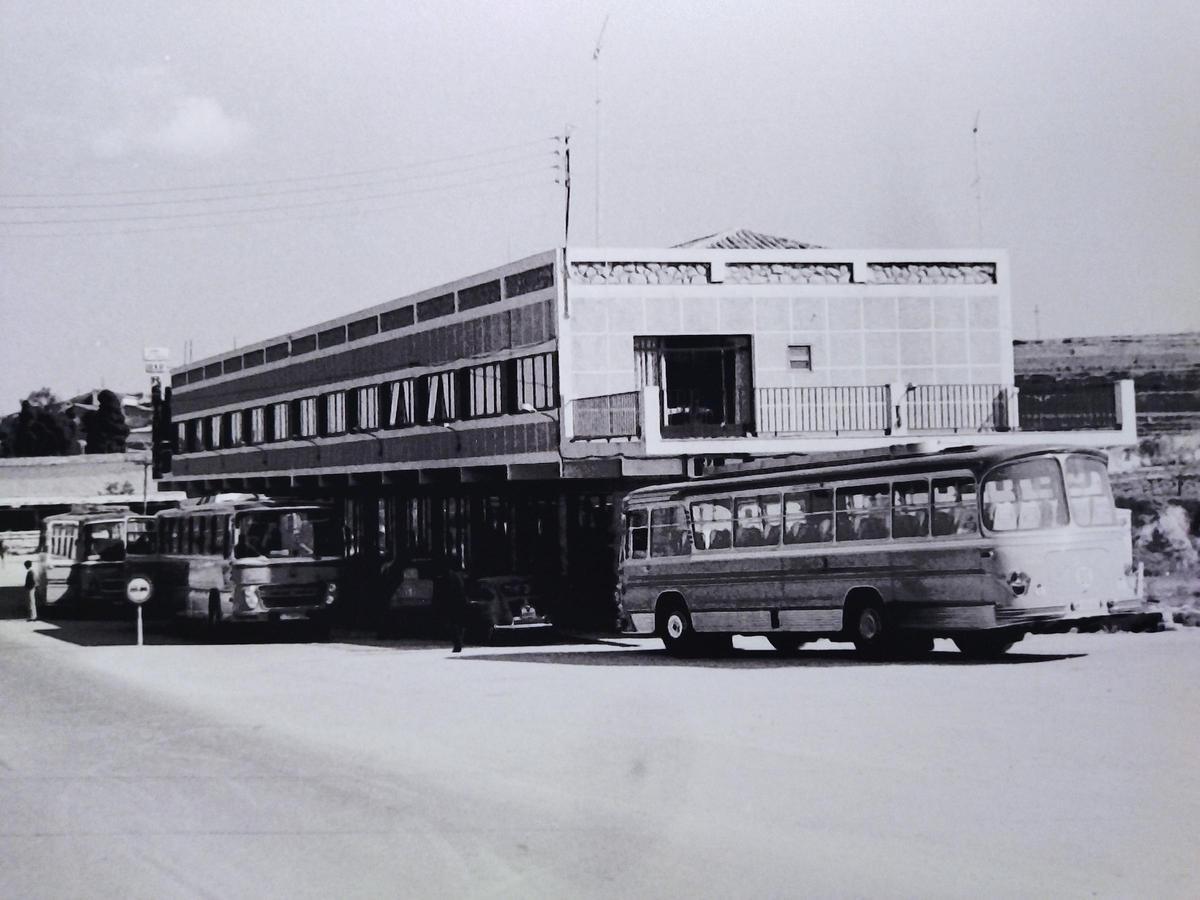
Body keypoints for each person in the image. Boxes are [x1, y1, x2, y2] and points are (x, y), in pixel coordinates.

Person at [439, 557, 469, 653]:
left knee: (453, 624)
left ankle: (458, 643)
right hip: (460, 602)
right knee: (458, 624)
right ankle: (459, 643)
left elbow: (449, 591)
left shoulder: (450, 576)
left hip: (454, 603)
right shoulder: (460, 576)